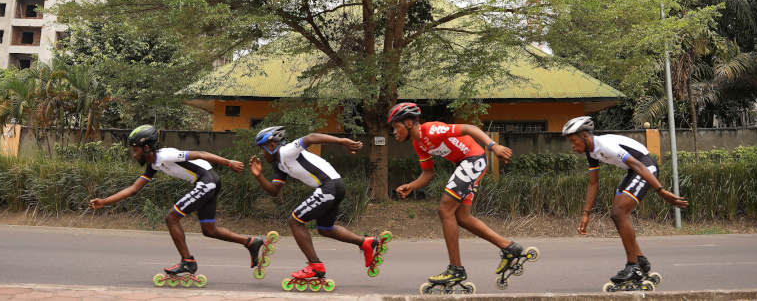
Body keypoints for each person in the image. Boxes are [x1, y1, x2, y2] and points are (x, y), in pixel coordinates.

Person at [89, 125, 270, 280]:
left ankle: (187, 262)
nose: (134, 154)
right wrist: (104, 202)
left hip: (207, 181)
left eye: (135, 150)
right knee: (209, 230)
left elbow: (201, 153)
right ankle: (251, 242)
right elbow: (133, 189)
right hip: (208, 182)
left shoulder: (166, 155)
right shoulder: (153, 164)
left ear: (146, 148)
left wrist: (228, 162)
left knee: (171, 218)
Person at [389, 102, 529, 288]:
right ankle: (510, 247)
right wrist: (411, 186)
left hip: (473, 159)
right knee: (462, 217)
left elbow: (469, 128)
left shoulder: (431, 130)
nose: (394, 132)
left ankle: (456, 269)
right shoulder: (419, 144)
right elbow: (429, 173)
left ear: (408, 123)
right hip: (466, 163)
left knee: (444, 209)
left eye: (396, 127)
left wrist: (493, 146)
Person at [248, 125, 388, 287]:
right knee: (325, 229)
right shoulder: (279, 164)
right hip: (334, 187)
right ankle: (365, 243)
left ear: (272, 146)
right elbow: (274, 191)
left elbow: (311, 138)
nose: (261, 153)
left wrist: (342, 141)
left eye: (262, 149)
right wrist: (259, 176)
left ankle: (315, 266)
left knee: (295, 221)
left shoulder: (286, 151)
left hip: (329, 186)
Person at [563, 116, 689, 286]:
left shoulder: (605, 146)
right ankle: (640, 259)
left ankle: (634, 266)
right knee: (616, 215)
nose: (572, 146)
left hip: (645, 167)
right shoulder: (591, 151)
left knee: (619, 212)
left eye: (573, 141)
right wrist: (586, 214)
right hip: (633, 171)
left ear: (584, 136)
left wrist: (662, 191)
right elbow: (593, 182)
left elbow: (639, 166)